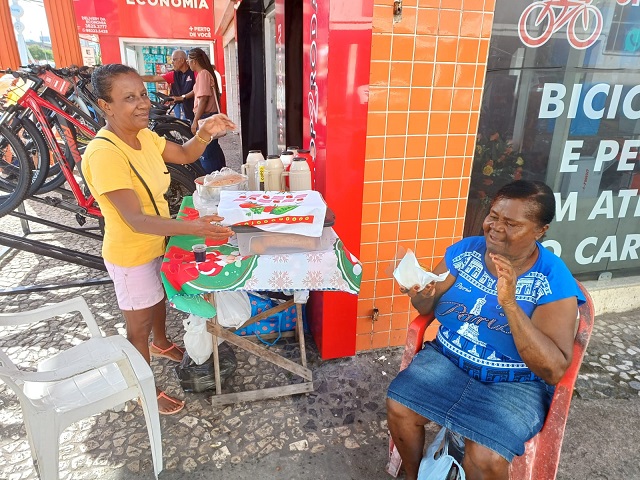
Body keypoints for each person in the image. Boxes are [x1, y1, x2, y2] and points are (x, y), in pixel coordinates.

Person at [386, 180, 586, 480]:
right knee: (399, 406)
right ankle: (414, 476)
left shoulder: (553, 281)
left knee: (485, 456)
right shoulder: (466, 252)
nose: (495, 227)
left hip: (515, 382)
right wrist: (421, 294)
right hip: (448, 360)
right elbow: (426, 307)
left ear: (540, 231)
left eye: (511, 223)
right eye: (493, 215)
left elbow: (554, 369)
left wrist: (510, 304)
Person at [82, 64, 236, 415]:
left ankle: (164, 343)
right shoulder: (105, 153)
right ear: (106, 106)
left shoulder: (145, 137)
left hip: (158, 243)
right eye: (129, 98)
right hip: (131, 254)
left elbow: (184, 154)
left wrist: (206, 132)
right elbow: (135, 220)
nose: (142, 104)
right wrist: (197, 228)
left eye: (143, 94)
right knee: (137, 328)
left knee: (158, 303)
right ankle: (142, 390)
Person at [187, 47, 226, 174]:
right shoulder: (205, 73)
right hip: (209, 116)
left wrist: (195, 121)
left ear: (194, 61)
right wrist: (182, 97)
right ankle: (221, 174)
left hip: (206, 117)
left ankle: (212, 180)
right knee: (213, 149)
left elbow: (203, 99)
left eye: (188, 60)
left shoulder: (203, 74)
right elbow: (197, 92)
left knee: (207, 152)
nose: (188, 63)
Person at [140, 49, 196, 122]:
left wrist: (182, 97)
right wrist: (135, 77)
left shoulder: (194, 72)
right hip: (187, 109)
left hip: (199, 109)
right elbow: (153, 78)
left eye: (174, 60)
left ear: (182, 60)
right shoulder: (174, 74)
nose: (172, 62)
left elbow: (199, 89)